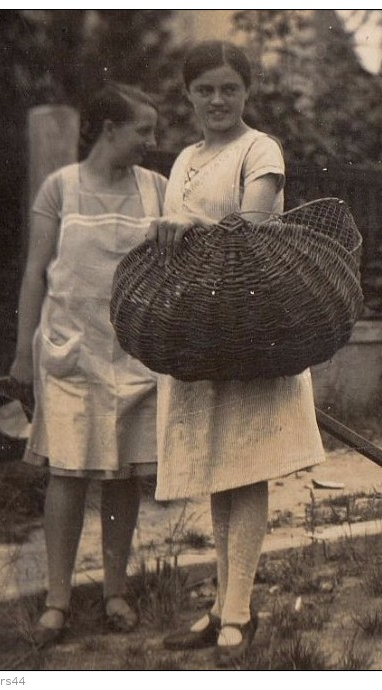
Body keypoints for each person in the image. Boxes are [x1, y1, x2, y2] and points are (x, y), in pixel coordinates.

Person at [147, 41, 325, 665]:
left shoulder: (260, 149)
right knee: (218, 466)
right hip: (201, 329)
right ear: (189, 95)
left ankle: (240, 612)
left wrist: (188, 233)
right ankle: (224, 603)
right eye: (205, 90)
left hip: (251, 326)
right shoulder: (186, 157)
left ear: (246, 91)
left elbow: (253, 232)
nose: (217, 101)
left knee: (246, 464)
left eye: (228, 88)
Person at [9, 83, 166, 647]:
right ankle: (57, 599)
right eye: (143, 130)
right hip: (69, 352)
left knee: (122, 476)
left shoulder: (157, 190)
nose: (152, 142)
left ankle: (115, 592)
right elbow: (35, 273)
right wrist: (22, 355)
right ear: (109, 130)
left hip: (131, 354)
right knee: (68, 476)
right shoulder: (61, 188)